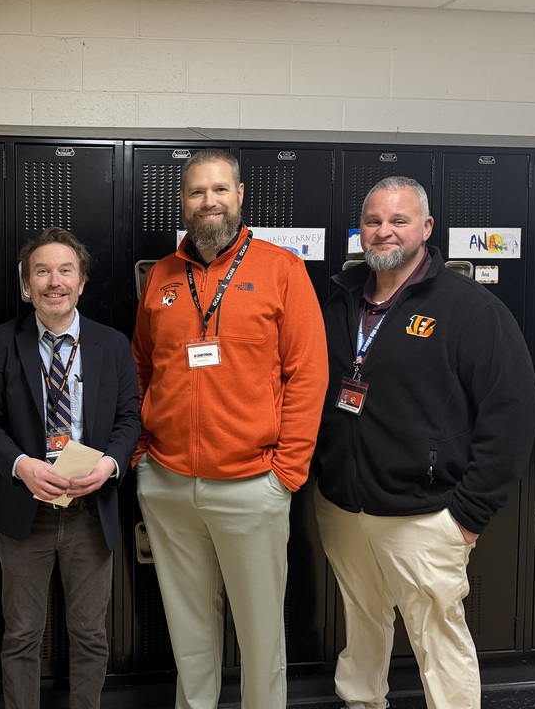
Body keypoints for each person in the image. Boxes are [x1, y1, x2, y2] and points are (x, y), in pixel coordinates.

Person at [313, 176, 535, 709]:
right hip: (344, 507)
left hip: (424, 515)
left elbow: (516, 412)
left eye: (399, 220)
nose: (384, 232)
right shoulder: (339, 298)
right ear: (360, 231)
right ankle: (362, 702)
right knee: (362, 623)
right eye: (373, 221)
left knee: (439, 640)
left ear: (426, 228)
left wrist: (467, 514)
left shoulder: (469, 309)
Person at [132, 149, 328, 709]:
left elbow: (308, 374)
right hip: (168, 484)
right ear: (183, 203)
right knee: (189, 635)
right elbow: (141, 365)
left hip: (252, 484)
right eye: (197, 192)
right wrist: (144, 454)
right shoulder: (164, 278)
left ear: (240, 196)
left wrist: (285, 472)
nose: (208, 201)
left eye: (220, 190)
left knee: (261, 634)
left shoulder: (280, 270)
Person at [0, 227, 140, 709]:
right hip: (26, 513)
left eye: (65, 270)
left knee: (89, 633)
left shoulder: (111, 344)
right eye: (41, 271)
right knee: (22, 634)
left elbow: (131, 417)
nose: (54, 281)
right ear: (27, 285)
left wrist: (109, 465)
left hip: (91, 510)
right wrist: (20, 465)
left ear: (82, 282)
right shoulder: (3, 342)